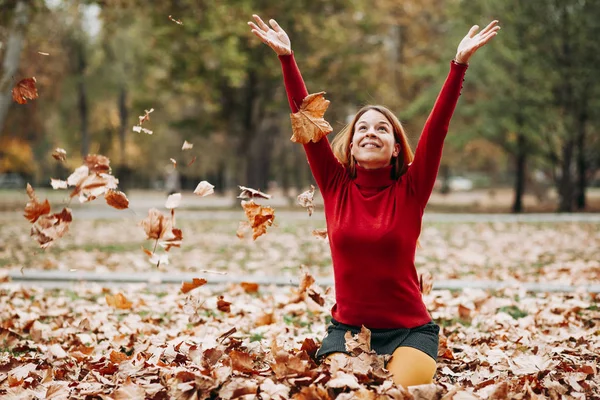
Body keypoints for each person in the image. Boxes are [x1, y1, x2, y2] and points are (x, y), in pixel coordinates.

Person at [248, 14, 499, 388]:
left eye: (382, 128)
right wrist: (287, 59)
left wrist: (458, 65)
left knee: (395, 393)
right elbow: (307, 120)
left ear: (396, 147)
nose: (371, 132)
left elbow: (437, 127)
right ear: (350, 144)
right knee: (343, 391)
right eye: (362, 127)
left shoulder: (411, 190)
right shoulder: (335, 184)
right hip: (347, 332)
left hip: (409, 332)